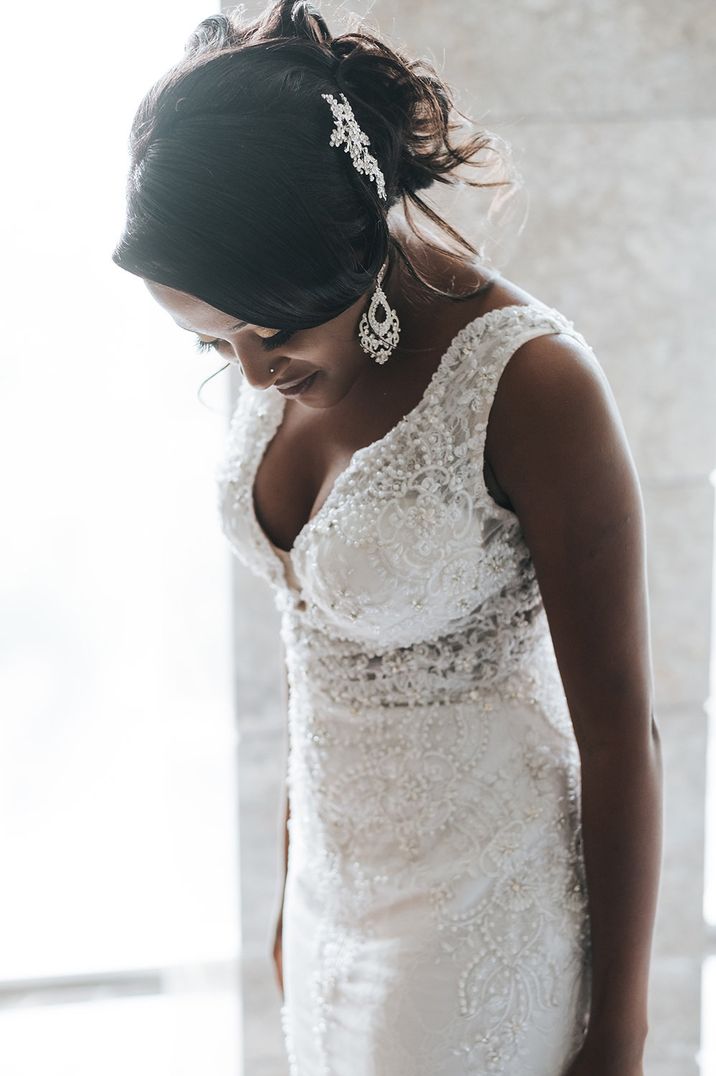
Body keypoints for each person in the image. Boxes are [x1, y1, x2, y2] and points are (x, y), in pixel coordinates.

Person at [112, 2, 663, 1073]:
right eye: (212, 340)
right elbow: (307, 655)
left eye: (270, 333)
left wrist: (621, 1033)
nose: (252, 373)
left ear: (342, 245)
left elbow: (619, 732)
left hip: (479, 909)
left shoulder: (532, 382)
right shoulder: (271, 347)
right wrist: (286, 895)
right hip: (326, 893)